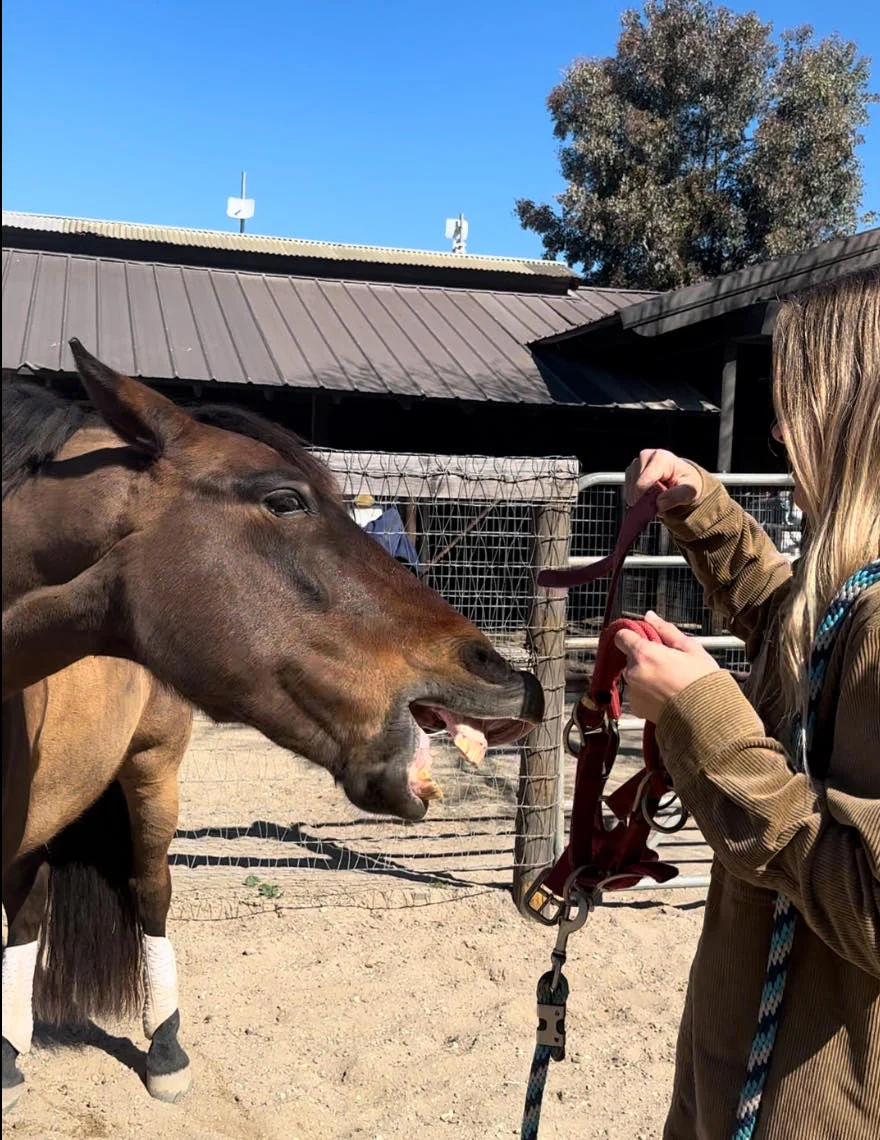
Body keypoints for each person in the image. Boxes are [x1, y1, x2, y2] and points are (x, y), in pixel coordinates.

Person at [614, 269, 879, 1140]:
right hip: (739, 1067)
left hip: (811, 1103)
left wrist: (704, 718)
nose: (778, 431)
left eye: (799, 404)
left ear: (858, 419)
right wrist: (704, 509)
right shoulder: (850, 591)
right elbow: (790, 620)